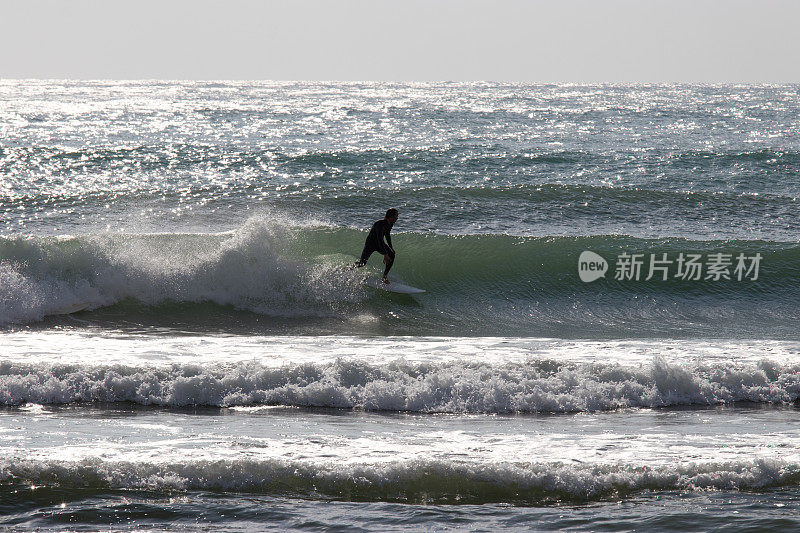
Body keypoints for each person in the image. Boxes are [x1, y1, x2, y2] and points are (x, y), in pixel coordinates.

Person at [354, 208, 398, 283]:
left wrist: (391, 247)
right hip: (370, 244)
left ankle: (384, 277)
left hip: (379, 244)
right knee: (362, 263)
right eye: (396, 216)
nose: (397, 218)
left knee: (392, 255)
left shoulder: (390, 223)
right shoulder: (379, 224)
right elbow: (380, 239)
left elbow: (387, 235)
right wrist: (385, 254)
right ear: (391, 216)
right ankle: (348, 268)